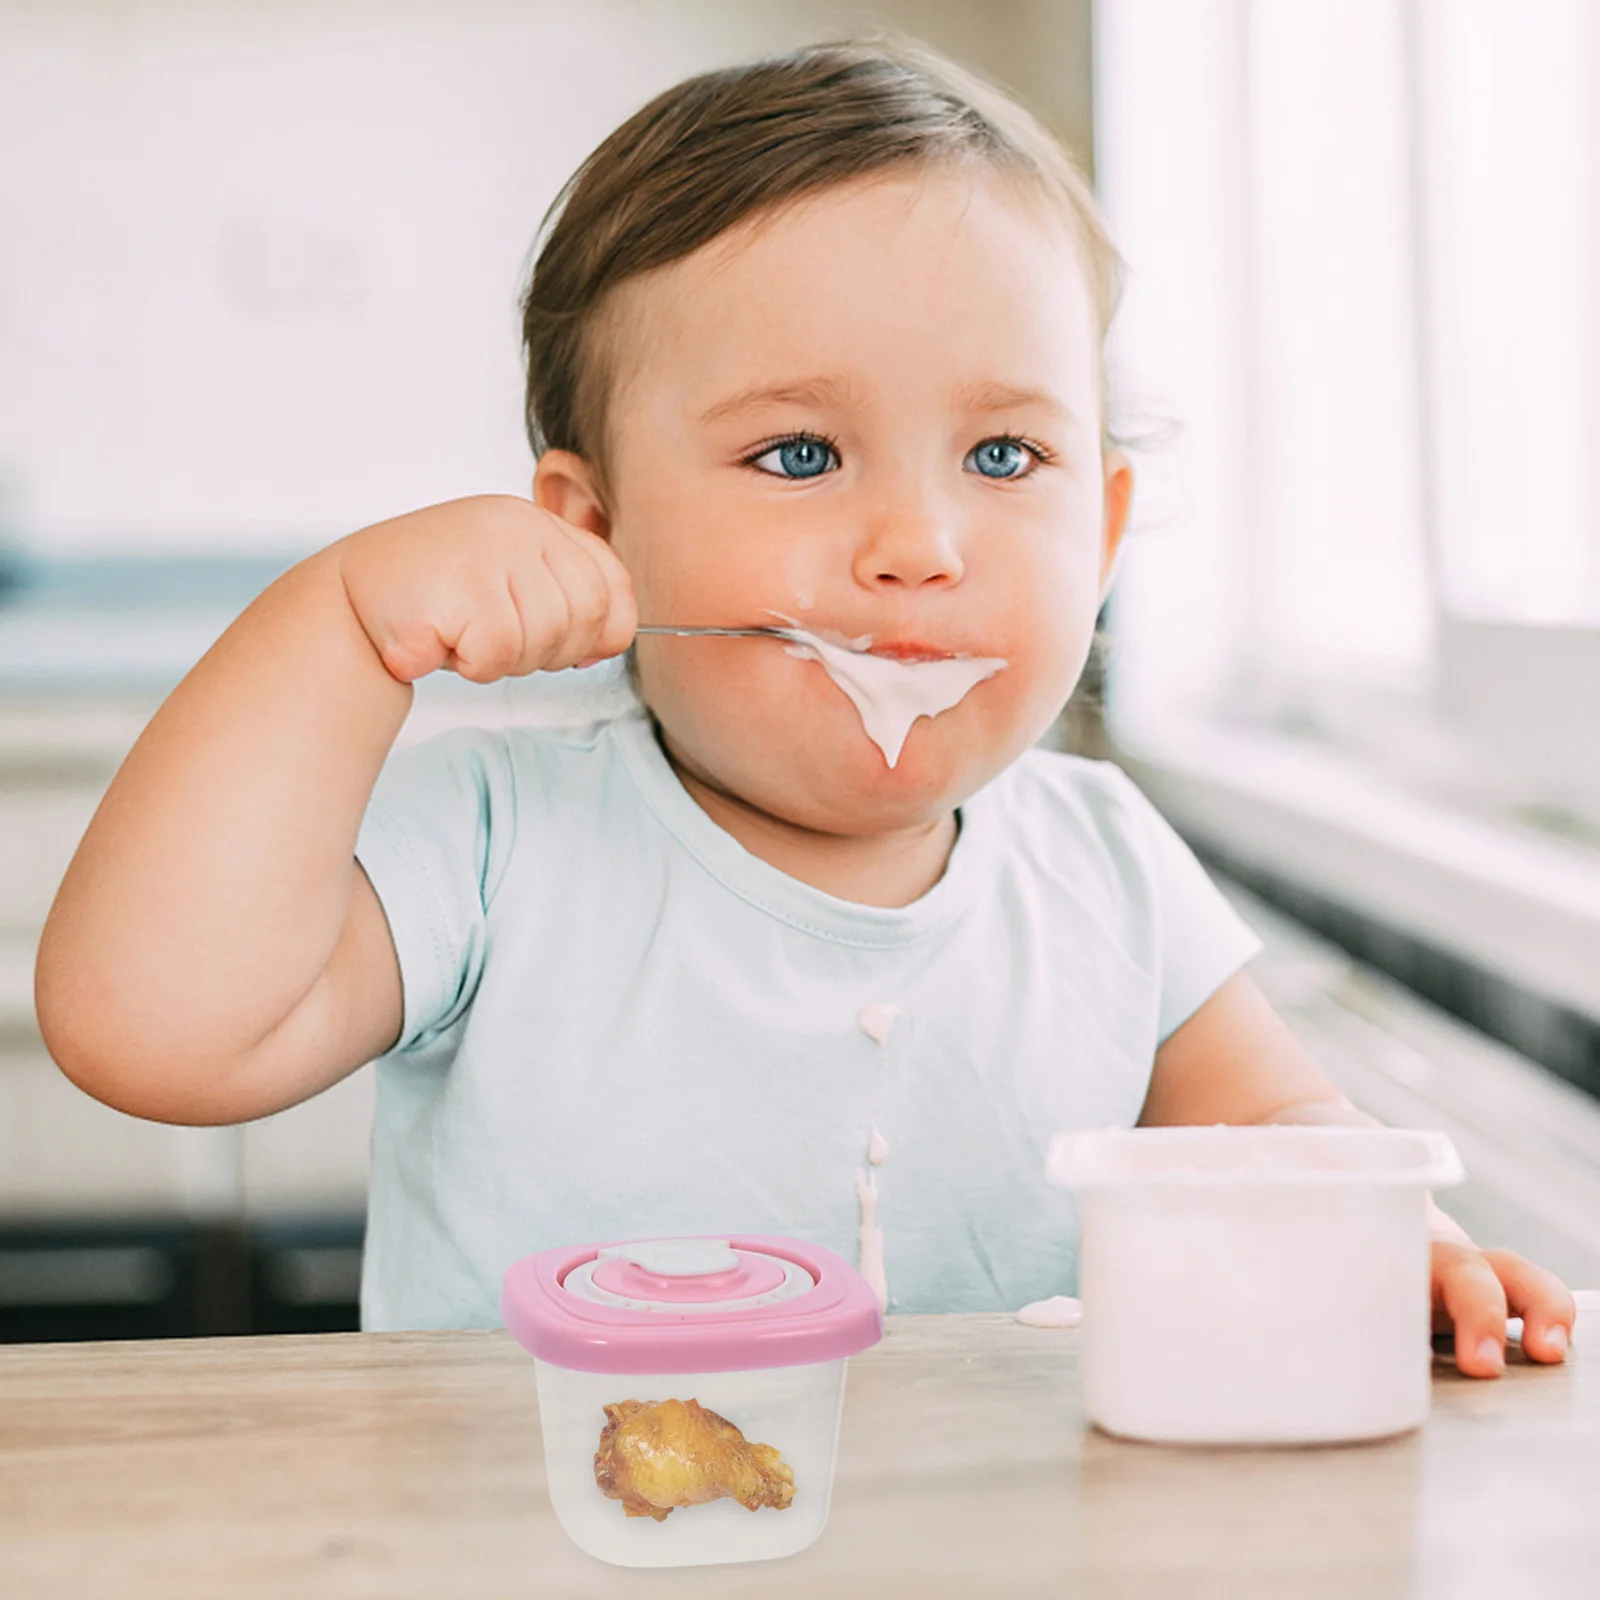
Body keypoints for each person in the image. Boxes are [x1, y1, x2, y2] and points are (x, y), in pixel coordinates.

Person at [35, 39, 1573, 1369]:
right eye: (799, 455)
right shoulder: (497, 847)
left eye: (1004, 457)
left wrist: (1391, 1240)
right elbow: (151, 1034)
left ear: (1103, 537)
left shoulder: (1108, 866)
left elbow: (1280, 1139)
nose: (920, 545)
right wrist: (335, 629)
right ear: (596, 531)